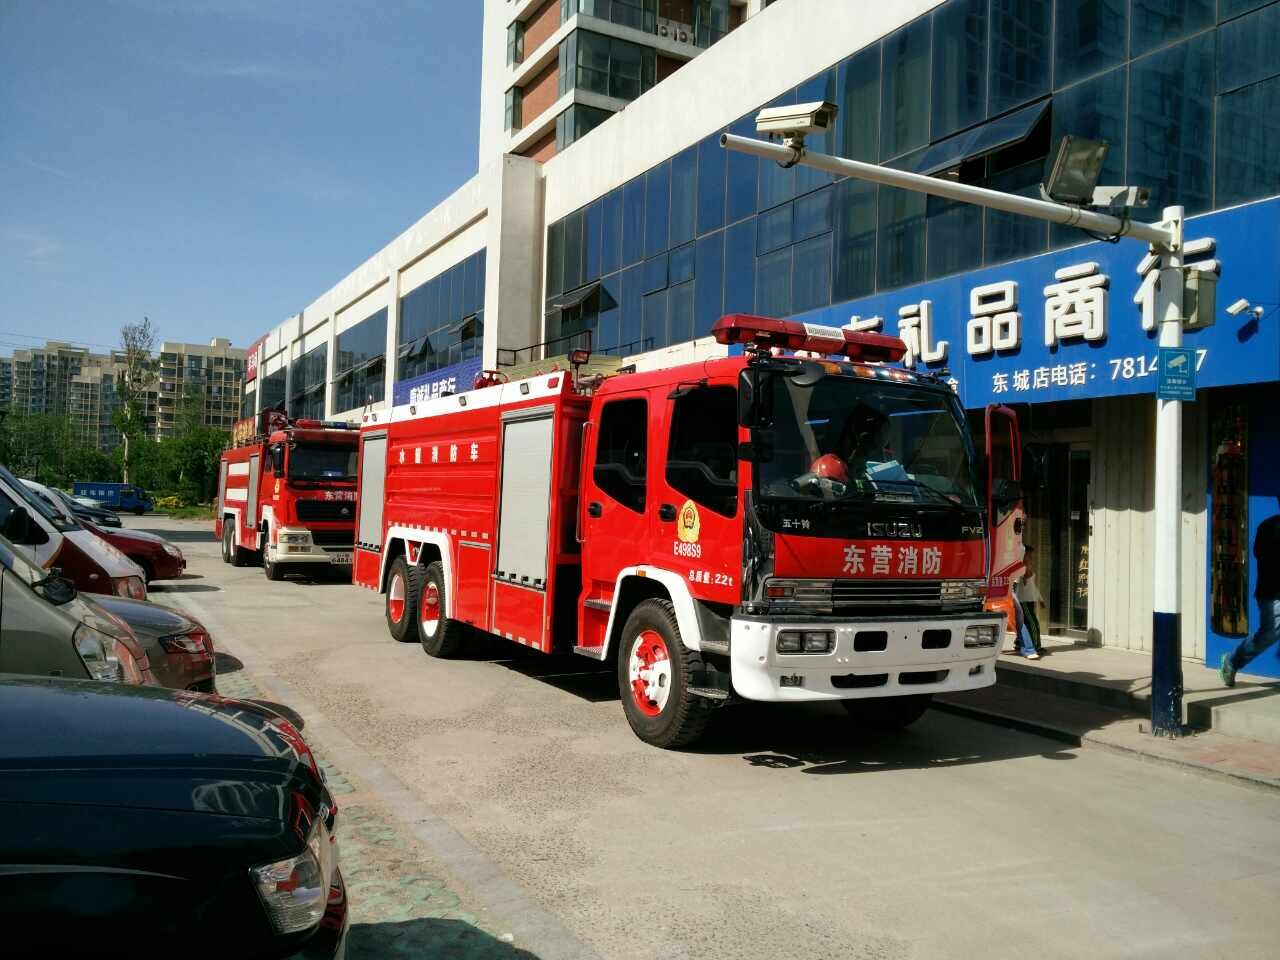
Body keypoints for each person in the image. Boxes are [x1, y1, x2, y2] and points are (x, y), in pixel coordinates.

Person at [1220, 510, 1280, 687]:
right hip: (1273, 592)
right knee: (1269, 634)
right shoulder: (1270, 526)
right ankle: (1232, 661)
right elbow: (1261, 554)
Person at [1019, 545, 1044, 656]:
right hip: (1024, 601)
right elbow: (1025, 583)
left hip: (1030, 600)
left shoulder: (1026, 568)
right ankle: (1035, 646)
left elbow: (1032, 586)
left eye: (1031, 555)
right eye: (1028, 555)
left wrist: (1040, 599)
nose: (1031, 558)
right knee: (1033, 624)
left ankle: (1021, 644)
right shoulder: (1021, 569)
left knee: (1027, 623)